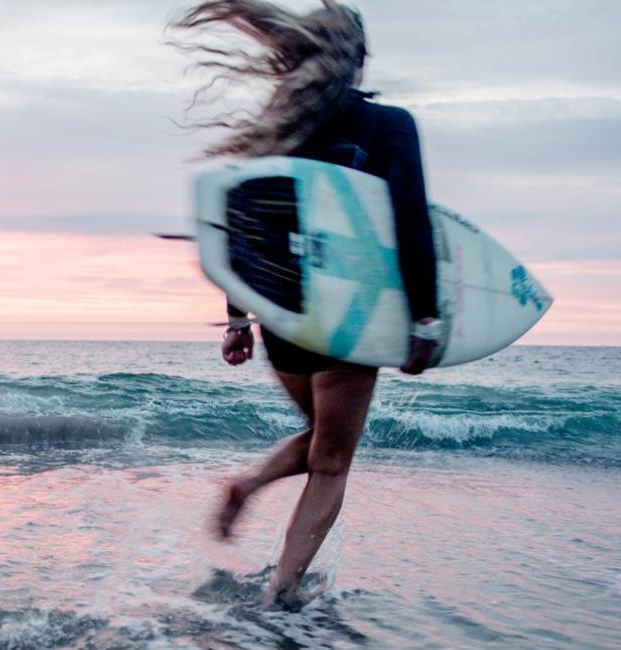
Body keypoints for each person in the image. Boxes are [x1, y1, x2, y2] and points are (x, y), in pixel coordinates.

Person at [171, 0, 444, 609]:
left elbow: (243, 229)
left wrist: (238, 316)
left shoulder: (278, 129)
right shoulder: (389, 125)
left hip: (284, 318)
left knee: (321, 437)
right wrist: (425, 318)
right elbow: (410, 224)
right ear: (357, 60)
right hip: (353, 312)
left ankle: (251, 483)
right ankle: (282, 590)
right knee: (332, 461)